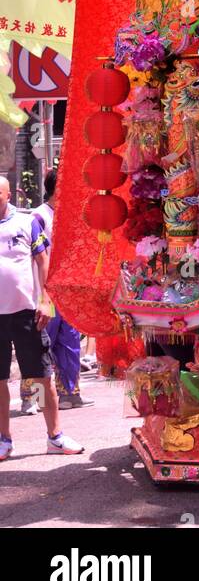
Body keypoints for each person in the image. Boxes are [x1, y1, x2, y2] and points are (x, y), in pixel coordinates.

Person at [0, 175, 83, 461]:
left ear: (8, 194)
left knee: (38, 377)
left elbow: (43, 259)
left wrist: (46, 300)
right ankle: (4, 440)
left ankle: (53, 436)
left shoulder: (26, 222)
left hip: (26, 314)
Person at [34, 170, 88, 409]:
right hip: (46, 291)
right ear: (58, 188)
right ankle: (36, 398)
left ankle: (70, 392)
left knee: (70, 341)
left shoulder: (71, 215)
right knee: (42, 343)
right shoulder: (39, 216)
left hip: (69, 289)